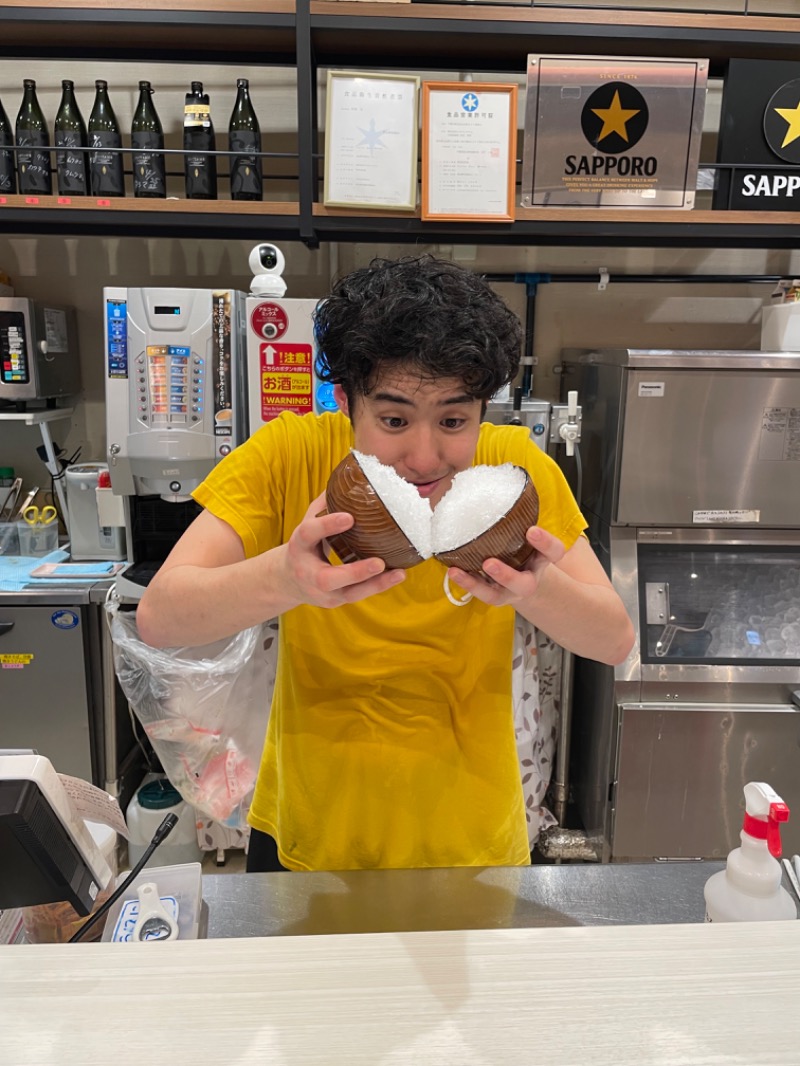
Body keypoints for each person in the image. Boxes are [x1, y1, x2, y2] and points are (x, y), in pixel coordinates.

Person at [136, 255, 634, 873]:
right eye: (393, 420)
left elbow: (614, 639)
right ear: (347, 400)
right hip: (308, 831)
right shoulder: (289, 454)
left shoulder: (515, 470)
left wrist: (533, 588)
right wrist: (285, 577)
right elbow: (160, 615)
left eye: (454, 420)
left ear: (484, 407)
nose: (424, 457)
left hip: (469, 835)